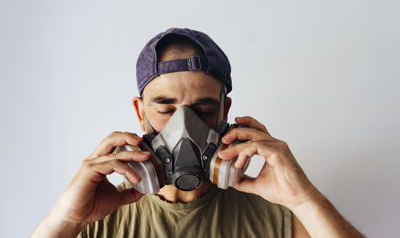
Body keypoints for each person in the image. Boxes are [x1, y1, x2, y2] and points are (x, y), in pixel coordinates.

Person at [31, 28, 364, 238]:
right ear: (139, 112)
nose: (184, 126)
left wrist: (303, 199)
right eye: (165, 107)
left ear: (225, 111)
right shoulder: (99, 215)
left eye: (203, 109)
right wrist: (67, 219)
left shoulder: (273, 215)